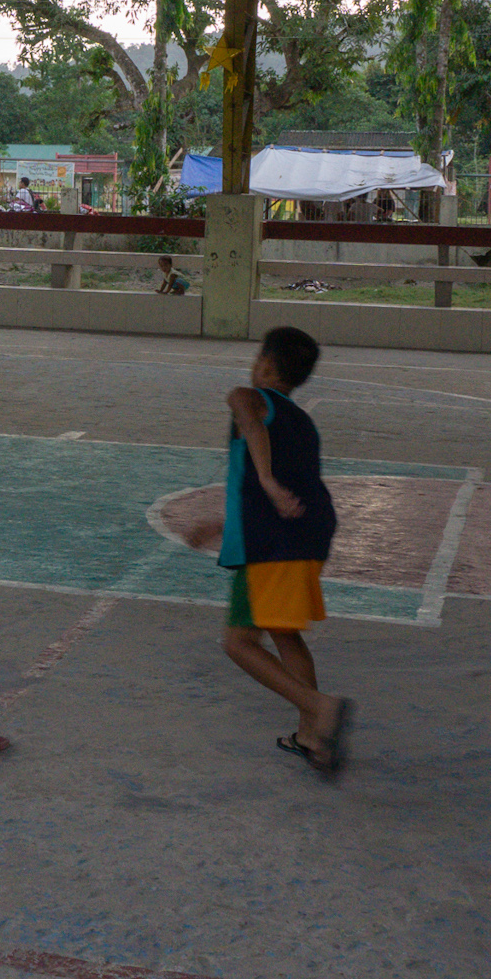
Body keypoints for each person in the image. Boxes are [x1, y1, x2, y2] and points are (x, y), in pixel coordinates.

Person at [181, 326, 350, 777]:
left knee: (238, 642)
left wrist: (269, 483)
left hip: (275, 544)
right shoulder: (303, 423)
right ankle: (312, 734)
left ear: (267, 367)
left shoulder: (248, 397)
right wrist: (221, 524)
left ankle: (319, 707)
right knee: (283, 633)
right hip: (307, 536)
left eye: (258, 358)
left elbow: (249, 420)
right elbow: (277, 484)